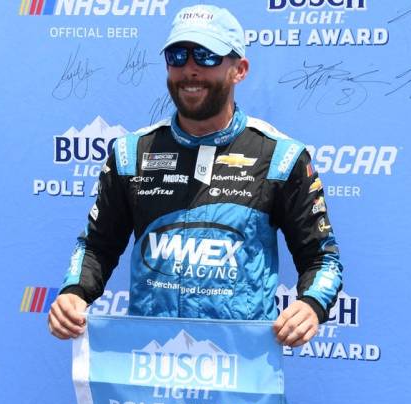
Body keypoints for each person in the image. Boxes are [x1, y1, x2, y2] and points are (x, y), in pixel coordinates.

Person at [48, 4, 342, 349]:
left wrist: (310, 305)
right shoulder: (131, 153)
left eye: (206, 56)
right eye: (177, 55)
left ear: (239, 70)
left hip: (241, 369)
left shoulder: (280, 156)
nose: (190, 69)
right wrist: (73, 292)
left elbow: (322, 259)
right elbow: (96, 246)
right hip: (151, 362)